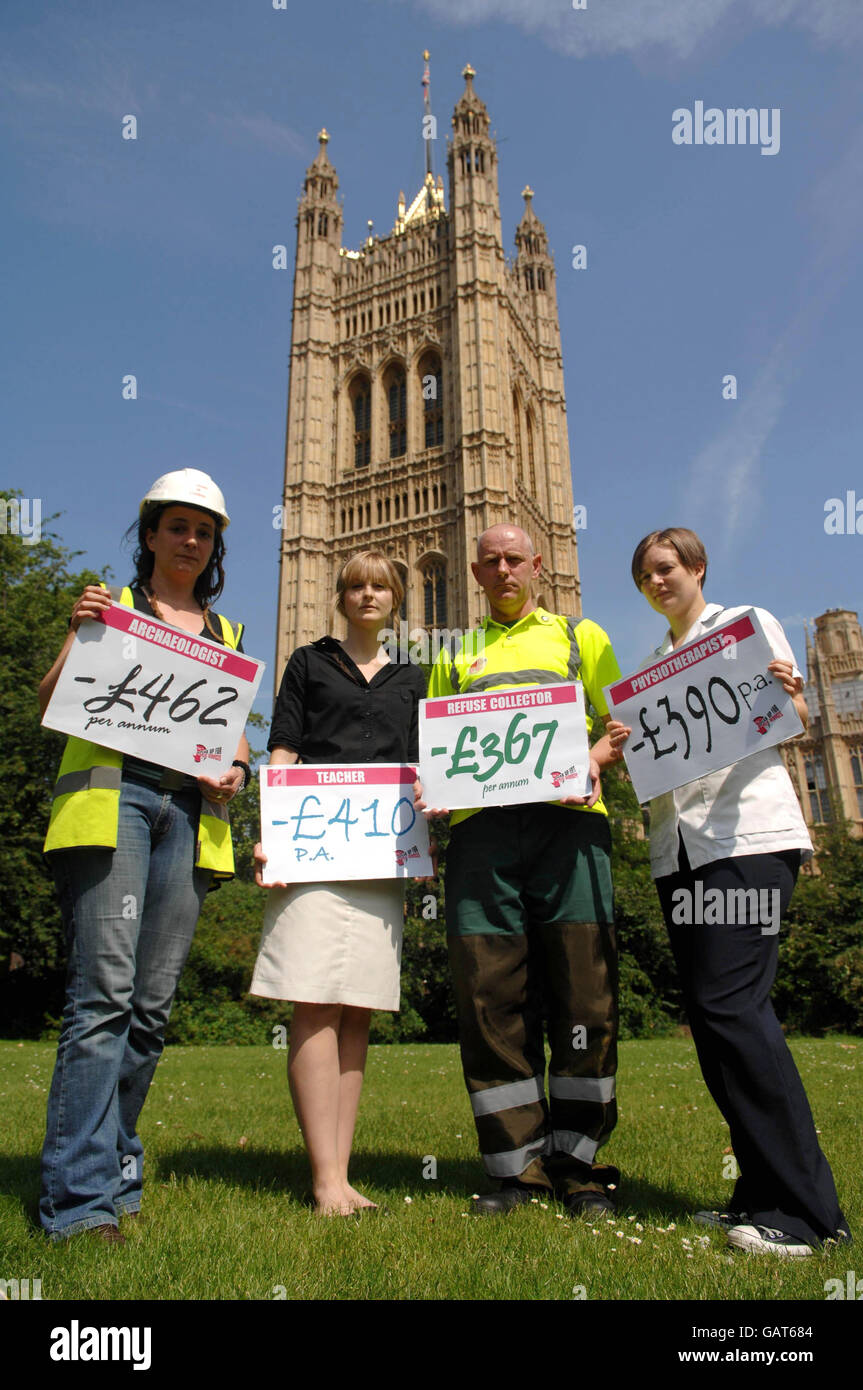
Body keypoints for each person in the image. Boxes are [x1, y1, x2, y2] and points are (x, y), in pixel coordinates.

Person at [608, 526, 850, 1256]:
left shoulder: (743, 628)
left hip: (745, 842)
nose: (656, 582)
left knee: (732, 1007)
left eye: (666, 568)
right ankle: (757, 1192)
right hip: (678, 854)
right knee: (713, 1027)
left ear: (696, 568)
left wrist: (792, 701)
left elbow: (792, 721)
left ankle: (808, 1214)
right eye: (644, 575)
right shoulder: (650, 668)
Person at [38, 469, 250, 1244]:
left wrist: (238, 771)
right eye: (177, 527)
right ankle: (78, 1198)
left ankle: (112, 1161)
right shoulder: (113, 608)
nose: (190, 541)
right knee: (104, 996)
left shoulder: (226, 636)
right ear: (151, 536)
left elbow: (233, 741)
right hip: (114, 802)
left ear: (214, 545)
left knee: (151, 1008)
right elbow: (50, 700)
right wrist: (75, 627)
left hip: (189, 818)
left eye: (204, 531)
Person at [418, 524, 623, 1217]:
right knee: (487, 994)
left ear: (537, 566)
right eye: (490, 561)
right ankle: (514, 1168)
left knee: (582, 993)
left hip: (570, 828)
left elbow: (621, 720)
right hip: (482, 836)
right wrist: (430, 791)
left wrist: (593, 758)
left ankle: (578, 1164)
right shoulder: (456, 652)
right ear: (474, 572)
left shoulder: (577, 638)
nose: (503, 570)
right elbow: (436, 745)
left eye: (514, 560)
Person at [250, 551, 426, 1216]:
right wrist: (270, 833)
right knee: (314, 1002)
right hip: (314, 851)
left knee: (357, 1013)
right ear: (339, 596)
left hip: (381, 858)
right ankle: (323, 1178)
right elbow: (284, 750)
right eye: (355, 585)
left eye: (380, 586)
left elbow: (422, 766)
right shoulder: (308, 663)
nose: (367, 595)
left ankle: (342, 1174)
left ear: (396, 598)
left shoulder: (414, 677)